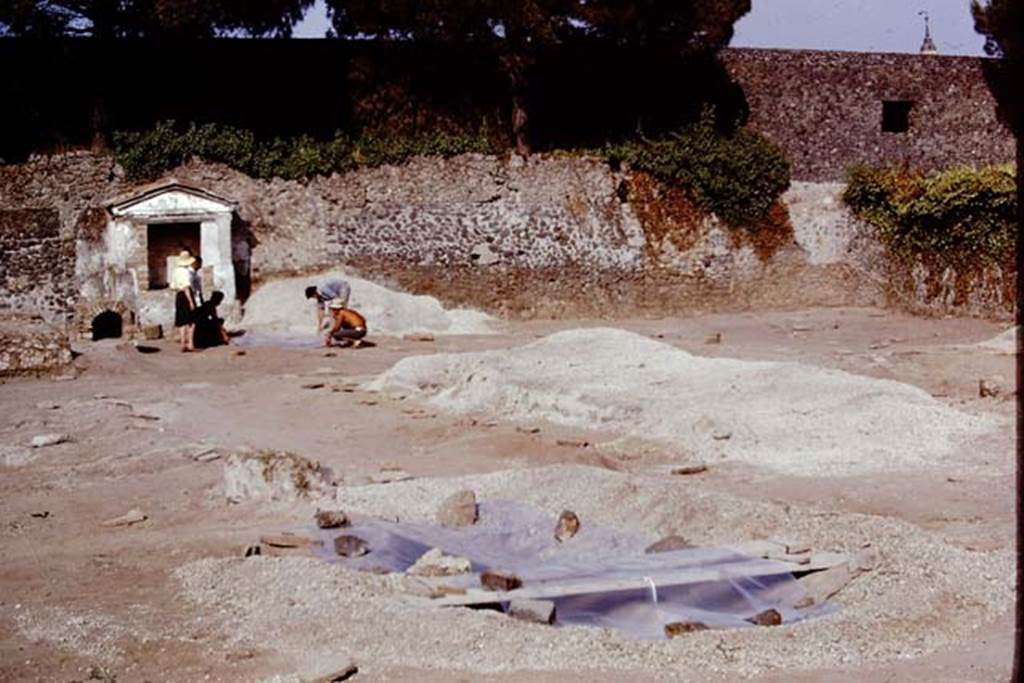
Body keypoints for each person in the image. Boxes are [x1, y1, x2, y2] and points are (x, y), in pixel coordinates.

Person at [171, 250, 198, 352]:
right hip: (187, 294)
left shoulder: (175, 271)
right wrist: (191, 301)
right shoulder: (186, 272)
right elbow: (187, 287)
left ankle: (183, 343)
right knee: (192, 320)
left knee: (182, 320)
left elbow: (173, 286)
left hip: (179, 295)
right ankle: (190, 343)